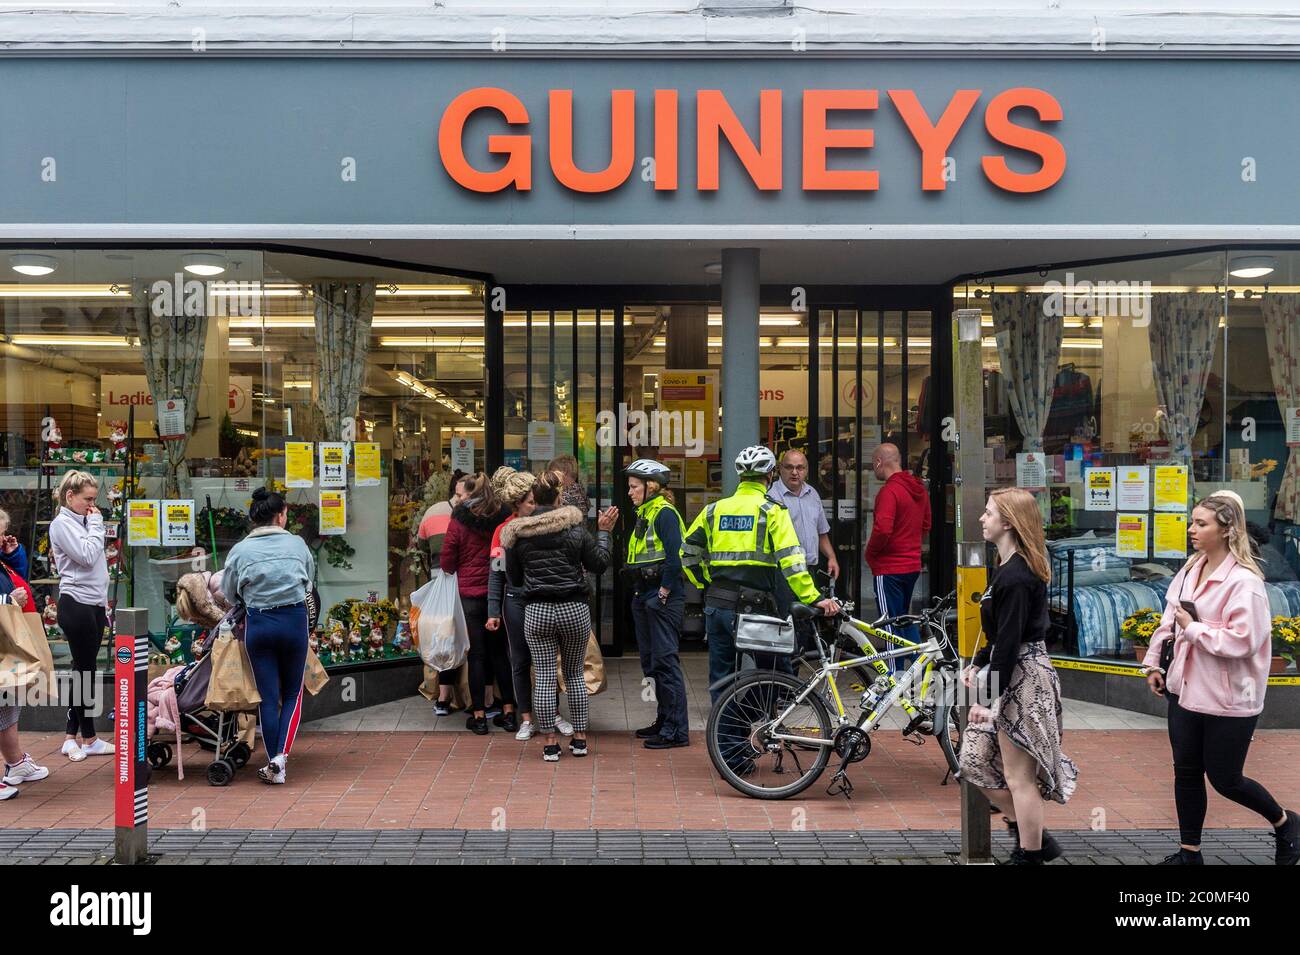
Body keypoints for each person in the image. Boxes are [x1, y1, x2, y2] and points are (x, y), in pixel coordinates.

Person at [1141, 491, 1298, 866]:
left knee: (1227, 779)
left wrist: (1194, 630)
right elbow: (1169, 620)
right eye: (1192, 522)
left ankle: (1285, 823)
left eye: (1201, 523)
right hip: (1184, 689)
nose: (1192, 530)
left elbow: (1244, 642)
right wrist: (1154, 664)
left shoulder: (1245, 582)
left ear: (1227, 530)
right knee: (1187, 773)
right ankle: (1189, 853)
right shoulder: (1190, 569)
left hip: (1229, 698)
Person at [960, 487, 1077, 865]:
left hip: (1023, 678)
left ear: (1008, 522)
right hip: (1011, 671)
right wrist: (979, 661)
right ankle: (1037, 841)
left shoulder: (1017, 575)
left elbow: (1011, 644)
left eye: (989, 513)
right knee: (974, 760)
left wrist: (988, 699)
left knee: (1018, 777)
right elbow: (1003, 636)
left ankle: (1030, 855)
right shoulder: (1008, 570)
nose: (982, 518)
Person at [682, 445, 840, 704]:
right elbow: (792, 562)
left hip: (717, 606)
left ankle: (728, 741)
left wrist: (705, 583)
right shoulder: (772, 511)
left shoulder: (713, 510)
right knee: (775, 675)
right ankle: (748, 723)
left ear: (739, 475)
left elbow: (687, 554)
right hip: (754, 608)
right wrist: (813, 597)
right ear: (770, 475)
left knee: (722, 678)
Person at [501, 471, 615, 762]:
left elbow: (513, 578)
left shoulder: (517, 534)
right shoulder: (575, 529)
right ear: (557, 498)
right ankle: (579, 739)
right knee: (575, 675)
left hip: (537, 611)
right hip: (573, 609)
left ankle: (550, 742)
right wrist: (604, 533)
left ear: (533, 499)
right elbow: (600, 564)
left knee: (544, 677)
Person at [222, 487, 315, 784]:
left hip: (258, 625)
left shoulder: (240, 550)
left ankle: (275, 762)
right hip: (293, 622)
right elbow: (309, 582)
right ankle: (279, 759)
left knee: (267, 696)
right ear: (280, 516)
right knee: (292, 694)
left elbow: (229, 592)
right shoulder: (298, 545)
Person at [623, 459, 690, 750]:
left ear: (651, 487)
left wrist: (663, 592)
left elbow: (676, 559)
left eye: (634, 487)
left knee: (665, 663)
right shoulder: (645, 513)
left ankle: (677, 731)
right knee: (651, 664)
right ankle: (663, 721)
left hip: (660, 597)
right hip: (643, 594)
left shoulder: (664, 514)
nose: (630, 492)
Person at [442, 472, 515, 734]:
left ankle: (480, 715)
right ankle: (509, 712)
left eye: (462, 494)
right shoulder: (504, 517)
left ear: (470, 494)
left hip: (470, 595)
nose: (459, 498)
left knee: (476, 655)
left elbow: (447, 560)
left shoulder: (459, 520)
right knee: (500, 654)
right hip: (499, 594)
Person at [48, 470, 113, 761]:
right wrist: (97, 523)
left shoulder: (82, 521)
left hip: (94, 604)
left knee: (83, 670)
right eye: (87, 499)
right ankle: (88, 737)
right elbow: (86, 556)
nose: (92, 505)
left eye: (94, 500)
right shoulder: (62, 524)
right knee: (84, 671)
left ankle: (71, 737)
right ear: (69, 496)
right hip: (76, 603)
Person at [865, 442, 931, 671]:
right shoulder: (919, 489)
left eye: (874, 464)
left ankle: (894, 675)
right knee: (904, 618)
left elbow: (883, 529)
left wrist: (871, 553)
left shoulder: (889, 491)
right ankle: (919, 669)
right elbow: (926, 525)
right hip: (911, 565)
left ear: (879, 462)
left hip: (889, 568)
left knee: (889, 623)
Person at [0, 508, 50, 800]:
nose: (3, 538)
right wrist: (7, 600)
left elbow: (15, 574)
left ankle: (16, 763)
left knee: (8, 704)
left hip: (6, 639)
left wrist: (12, 553)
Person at [768, 449, 838, 652]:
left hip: (809, 570)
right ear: (780, 469)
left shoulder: (812, 494)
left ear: (806, 470)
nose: (794, 472)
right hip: (783, 574)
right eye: (789, 467)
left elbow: (822, 531)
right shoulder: (772, 497)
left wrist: (831, 557)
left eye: (800, 467)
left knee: (805, 626)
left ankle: (797, 675)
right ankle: (785, 676)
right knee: (785, 625)